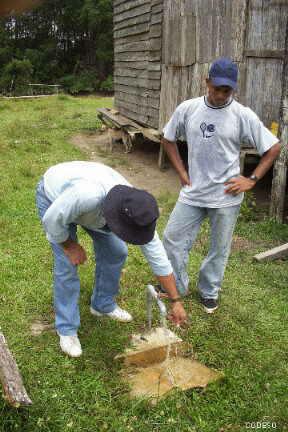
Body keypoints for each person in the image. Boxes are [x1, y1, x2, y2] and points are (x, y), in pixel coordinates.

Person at [161, 57, 281, 314]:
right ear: (207, 83)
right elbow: (168, 138)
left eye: (226, 90)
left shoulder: (242, 114)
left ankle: (209, 292)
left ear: (233, 89)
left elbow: (273, 147)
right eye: (216, 88)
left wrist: (251, 179)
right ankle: (178, 287)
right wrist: (182, 171)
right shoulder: (188, 109)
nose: (220, 95)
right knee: (172, 239)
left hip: (226, 196)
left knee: (219, 248)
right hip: (193, 192)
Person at [36, 161, 187, 357]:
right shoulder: (86, 196)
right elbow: (52, 220)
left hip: (91, 208)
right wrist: (69, 246)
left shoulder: (137, 212)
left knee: (117, 251)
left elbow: (159, 261)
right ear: (116, 220)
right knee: (66, 265)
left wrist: (175, 300)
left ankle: (102, 304)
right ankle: (67, 329)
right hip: (54, 197)